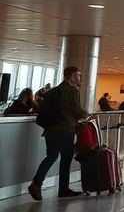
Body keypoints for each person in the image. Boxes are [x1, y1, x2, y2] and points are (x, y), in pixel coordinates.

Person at [28, 67, 92, 200]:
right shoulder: (72, 90)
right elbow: (75, 109)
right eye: (78, 75)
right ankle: (63, 189)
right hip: (65, 130)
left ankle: (37, 182)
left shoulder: (57, 89)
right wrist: (86, 115)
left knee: (51, 156)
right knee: (66, 159)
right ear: (72, 76)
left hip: (51, 129)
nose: (80, 78)